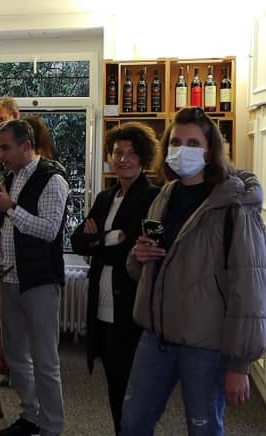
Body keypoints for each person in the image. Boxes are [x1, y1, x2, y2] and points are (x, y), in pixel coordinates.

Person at [121, 108, 266, 436]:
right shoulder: (164, 195)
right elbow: (151, 265)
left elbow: (249, 285)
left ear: (210, 150)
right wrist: (138, 257)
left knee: (203, 430)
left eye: (192, 143)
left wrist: (239, 364)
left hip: (205, 345)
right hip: (155, 336)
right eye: (176, 142)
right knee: (132, 423)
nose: (182, 150)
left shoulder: (233, 205)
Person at [0, 119, 68, 436]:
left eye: (5, 148)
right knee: (14, 355)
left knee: (45, 360)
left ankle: (52, 427)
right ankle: (30, 416)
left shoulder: (53, 179)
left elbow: (49, 230)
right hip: (7, 279)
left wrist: (10, 206)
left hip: (39, 281)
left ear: (27, 146)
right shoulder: (8, 178)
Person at [70, 123, 160, 434]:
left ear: (143, 158)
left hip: (132, 307)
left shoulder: (153, 197)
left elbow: (133, 249)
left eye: (131, 153)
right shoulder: (105, 197)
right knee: (114, 385)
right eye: (118, 152)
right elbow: (77, 241)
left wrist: (99, 242)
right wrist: (110, 239)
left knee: (135, 391)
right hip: (102, 308)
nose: (123, 159)